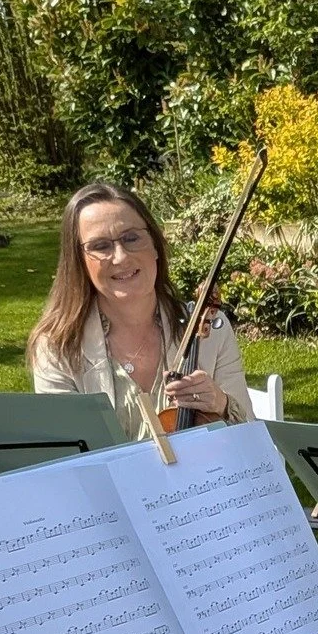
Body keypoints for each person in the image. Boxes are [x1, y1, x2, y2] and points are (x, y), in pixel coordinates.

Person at [29, 182, 254, 440]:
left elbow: (254, 440)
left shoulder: (210, 329)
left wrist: (221, 404)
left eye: (131, 238)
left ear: (155, 245)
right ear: (79, 261)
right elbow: (70, 459)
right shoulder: (58, 347)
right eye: (101, 246)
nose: (121, 257)